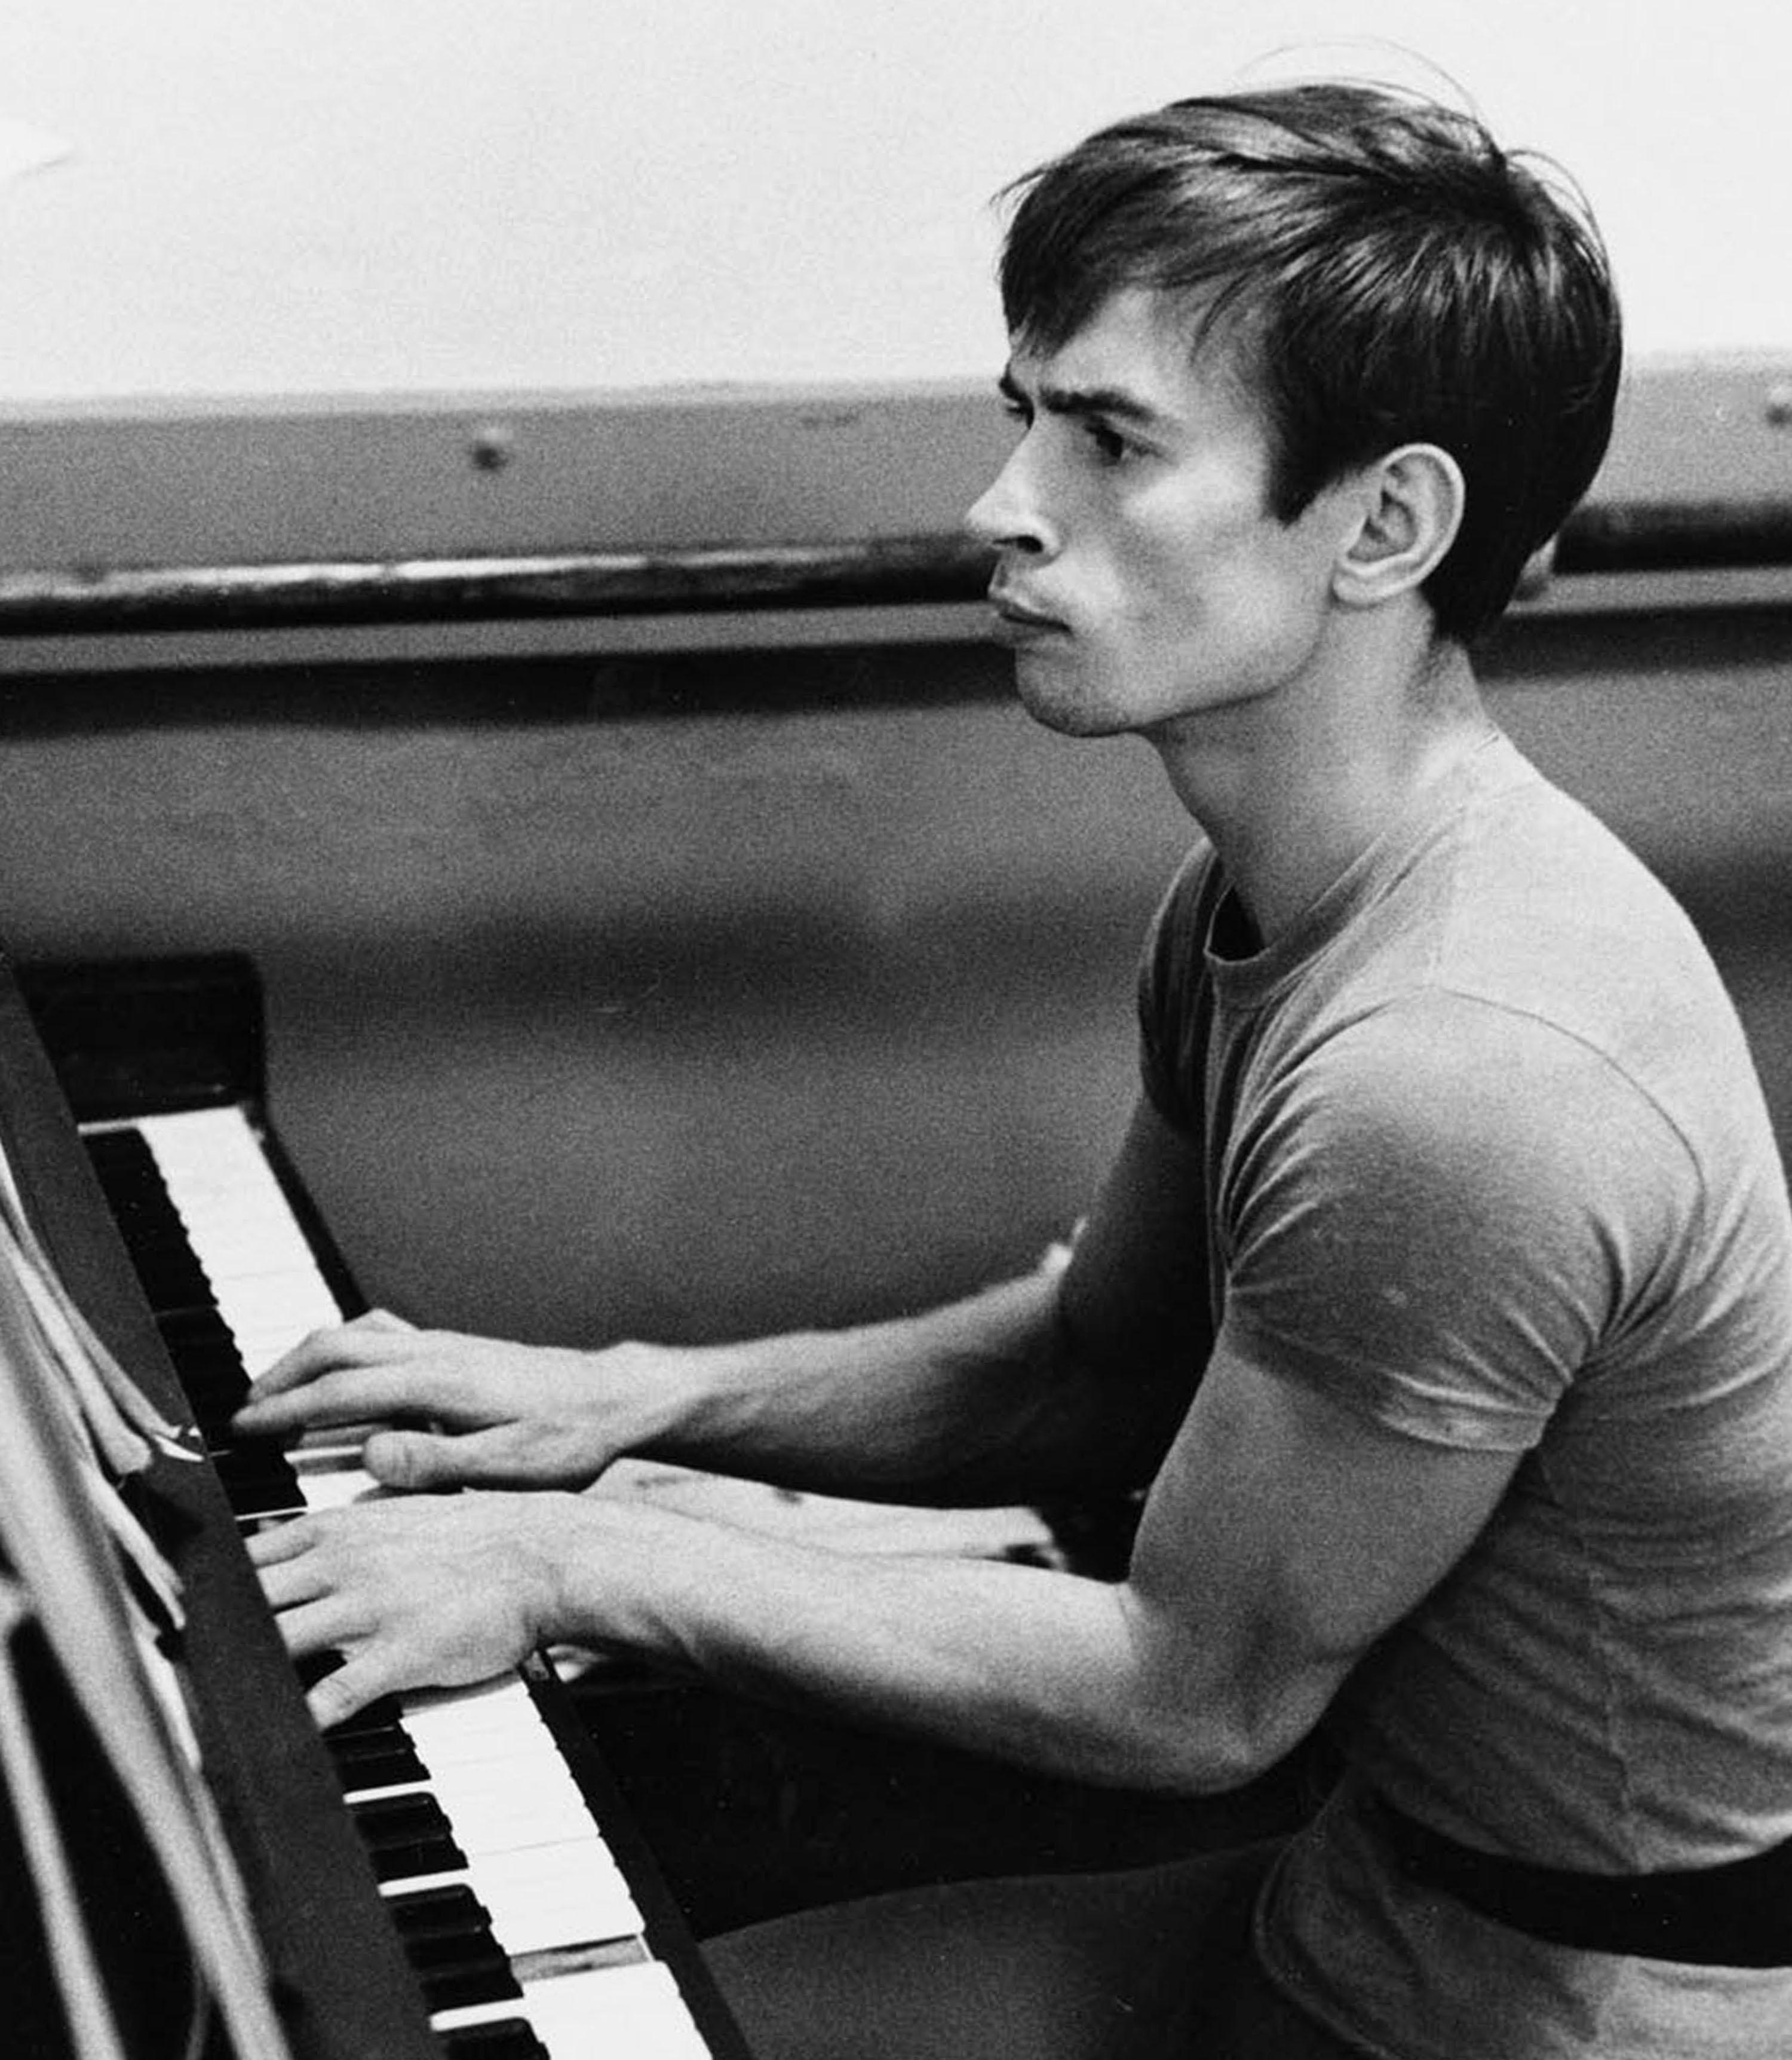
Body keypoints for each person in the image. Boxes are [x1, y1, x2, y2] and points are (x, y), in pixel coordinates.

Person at [235, 81, 1792, 2059]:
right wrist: (638, 1404)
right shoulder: (1276, 891)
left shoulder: (1461, 1067)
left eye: (1112, 437)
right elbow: (1089, 1374)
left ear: (1385, 523)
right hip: (1377, 1890)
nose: (1002, 504)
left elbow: (1190, 1695)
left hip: (1574, 2006)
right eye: (1024, 414)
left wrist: (580, 1550)